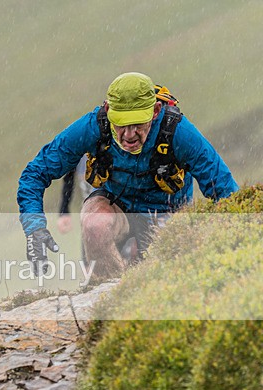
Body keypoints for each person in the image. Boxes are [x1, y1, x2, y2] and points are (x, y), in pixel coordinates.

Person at [17, 72, 238, 280]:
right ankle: (108, 297)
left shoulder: (179, 132)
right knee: (94, 223)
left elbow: (223, 187)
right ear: (107, 109)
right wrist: (34, 228)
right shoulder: (92, 126)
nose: (129, 135)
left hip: (169, 212)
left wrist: (239, 240)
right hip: (117, 206)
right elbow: (35, 173)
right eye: (121, 124)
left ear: (156, 111)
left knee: (168, 276)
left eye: (137, 124)